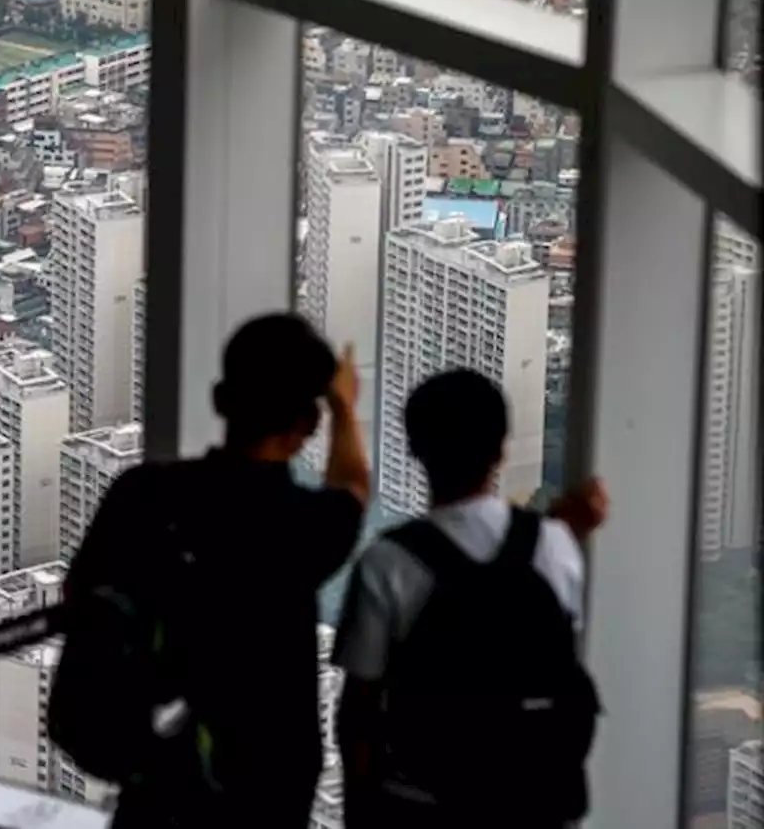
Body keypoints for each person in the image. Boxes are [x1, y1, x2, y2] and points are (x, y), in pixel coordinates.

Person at [54, 312, 371, 828]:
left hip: (154, 782)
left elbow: (80, 596)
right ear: (307, 425)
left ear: (221, 401)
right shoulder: (301, 526)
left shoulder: (140, 494)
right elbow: (353, 485)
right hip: (261, 798)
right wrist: (343, 406)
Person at [333, 368, 608, 829]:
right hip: (535, 799)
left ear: (416, 451)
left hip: (421, 803)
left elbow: (358, 711)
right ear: (501, 449)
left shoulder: (387, 562)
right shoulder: (555, 545)